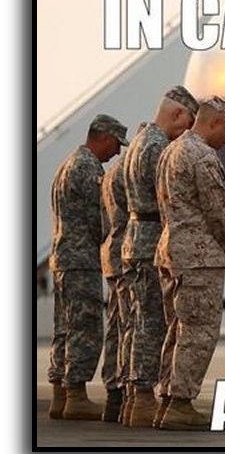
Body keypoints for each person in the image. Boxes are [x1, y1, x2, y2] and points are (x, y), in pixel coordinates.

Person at [155, 96, 225, 431]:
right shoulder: (202, 155)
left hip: (171, 251)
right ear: (215, 122)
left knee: (176, 329)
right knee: (198, 331)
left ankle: (167, 399)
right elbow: (217, 211)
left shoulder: (171, 151)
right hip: (198, 257)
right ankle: (180, 403)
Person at [122, 86, 198, 427]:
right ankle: (142, 398)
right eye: (188, 123)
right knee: (152, 323)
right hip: (150, 238)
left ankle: (132, 399)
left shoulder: (141, 141)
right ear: (177, 113)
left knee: (139, 321)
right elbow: (167, 196)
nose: (186, 131)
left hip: (136, 238)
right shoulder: (156, 147)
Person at [48, 114, 127, 420]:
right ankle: (76, 396)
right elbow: (99, 220)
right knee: (85, 327)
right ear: (104, 137)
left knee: (64, 328)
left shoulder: (66, 165)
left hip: (63, 258)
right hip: (82, 261)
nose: (117, 152)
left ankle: (60, 394)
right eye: (116, 144)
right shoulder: (88, 168)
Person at [99, 140, 134, 422]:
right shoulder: (130, 170)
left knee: (115, 325)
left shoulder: (111, 172)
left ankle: (114, 394)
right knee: (131, 326)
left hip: (112, 250)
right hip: (127, 252)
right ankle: (125, 394)